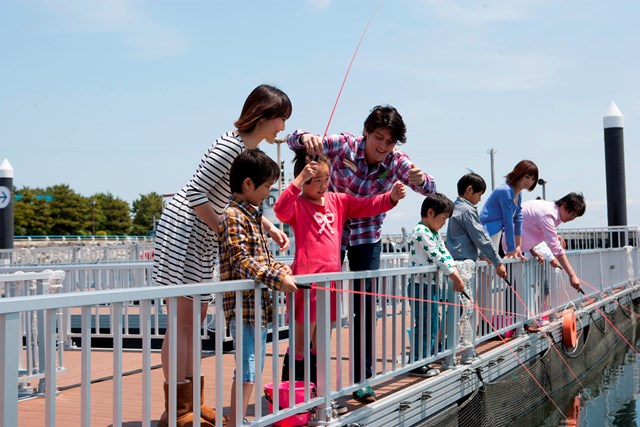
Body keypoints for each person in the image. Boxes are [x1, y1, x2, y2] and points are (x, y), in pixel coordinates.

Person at [152, 84, 292, 426]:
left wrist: (269, 226)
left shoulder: (246, 149)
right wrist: (226, 233)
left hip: (204, 234)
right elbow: (198, 194)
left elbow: (234, 199)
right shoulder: (229, 145)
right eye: (280, 119)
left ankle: (191, 403)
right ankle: (178, 408)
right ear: (264, 115)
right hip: (186, 229)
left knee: (195, 321)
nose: (282, 128)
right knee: (181, 321)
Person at [287, 105, 436, 403]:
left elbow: (430, 188)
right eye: (378, 137)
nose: (382, 146)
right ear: (366, 133)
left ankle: (362, 380)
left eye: (390, 142)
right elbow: (293, 139)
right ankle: (304, 380)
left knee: (365, 309)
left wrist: (420, 180)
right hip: (329, 231)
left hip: (367, 236)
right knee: (316, 307)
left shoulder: (396, 161)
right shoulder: (343, 145)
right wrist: (306, 138)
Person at [273, 149, 406, 387]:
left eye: (326, 179)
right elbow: (280, 210)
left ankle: (318, 395)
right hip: (305, 284)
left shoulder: (338, 201)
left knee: (322, 345)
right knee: (301, 344)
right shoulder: (298, 205)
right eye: (316, 181)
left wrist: (391, 197)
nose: (323, 185)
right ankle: (292, 396)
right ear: (303, 180)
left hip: (330, 283)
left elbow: (368, 206)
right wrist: (298, 180)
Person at [219, 149, 299, 426]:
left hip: (258, 307)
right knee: (248, 369)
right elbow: (241, 260)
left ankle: (236, 420)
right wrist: (278, 280)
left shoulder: (252, 216)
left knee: (252, 367)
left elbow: (262, 260)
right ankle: (235, 422)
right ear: (248, 184)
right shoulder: (232, 216)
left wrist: (280, 270)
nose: (268, 193)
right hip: (243, 308)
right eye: (266, 187)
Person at [407, 193, 465, 376]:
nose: (444, 223)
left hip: (429, 285)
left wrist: (454, 270)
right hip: (419, 285)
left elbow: (445, 252)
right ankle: (418, 362)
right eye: (443, 218)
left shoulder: (432, 232)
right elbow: (436, 255)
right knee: (425, 323)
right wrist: (455, 277)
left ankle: (426, 358)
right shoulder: (420, 232)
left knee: (432, 322)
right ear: (430, 213)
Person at [446, 172, 508, 280]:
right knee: (465, 296)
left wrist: (482, 255)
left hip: (455, 263)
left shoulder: (455, 207)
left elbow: (469, 237)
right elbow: (480, 238)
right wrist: (497, 262)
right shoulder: (467, 210)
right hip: (464, 266)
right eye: (479, 195)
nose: (479, 199)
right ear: (469, 190)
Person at [520, 192, 586, 290]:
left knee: (515, 288)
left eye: (575, 216)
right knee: (515, 288)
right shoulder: (548, 214)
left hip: (517, 248)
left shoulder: (552, 213)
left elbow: (528, 229)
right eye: (572, 214)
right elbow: (557, 250)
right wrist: (572, 275)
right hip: (508, 247)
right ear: (564, 205)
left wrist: (532, 250)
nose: (572, 218)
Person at [479, 160, 539, 259]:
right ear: (518, 174)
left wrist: (518, 246)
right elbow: (508, 221)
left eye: (533, 179)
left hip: (496, 232)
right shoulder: (505, 191)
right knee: (486, 269)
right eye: (527, 177)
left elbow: (518, 218)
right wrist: (511, 250)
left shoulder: (518, 193)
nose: (530, 181)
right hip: (487, 232)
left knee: (490, 269)